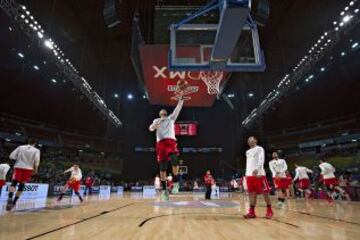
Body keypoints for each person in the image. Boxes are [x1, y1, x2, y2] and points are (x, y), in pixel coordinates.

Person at [149, 96, 184, 201]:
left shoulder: (171, 118)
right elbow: (150, 128)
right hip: (161, 144)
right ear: (160, 114)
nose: (163, 111)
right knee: (163, 168)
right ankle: (164, 191)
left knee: (175, 161)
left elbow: (178, 108)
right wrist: (154, 127)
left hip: (171, 142)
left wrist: (181, 99)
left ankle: (176, 183)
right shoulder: (156, 120)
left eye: (165, 111)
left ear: (166, 113)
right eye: (162, 111)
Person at [6, 138, 40, 211]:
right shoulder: (36, 150)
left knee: (14, 183)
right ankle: (14, 202)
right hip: (28, 169)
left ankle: (10, 198)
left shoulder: (20, 147)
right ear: (35, 144)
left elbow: (11, 156)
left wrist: (19, 159)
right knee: (21, 185)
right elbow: (36, 161)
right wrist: (36, 169)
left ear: (28, 142)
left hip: (18, 166)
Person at [244, 136, 273, 219]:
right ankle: (252, 212)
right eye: (248, 140)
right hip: (249, 175)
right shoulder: (248, 151)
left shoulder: (259, 148)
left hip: (259, 174)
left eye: (251, 139)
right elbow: (248, 163)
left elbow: (261, 159)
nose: (250, 141)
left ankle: (269, 211)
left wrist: (257, 169)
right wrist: (247, 174)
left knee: (265, 193)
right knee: (251, 194)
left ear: (256, 140)